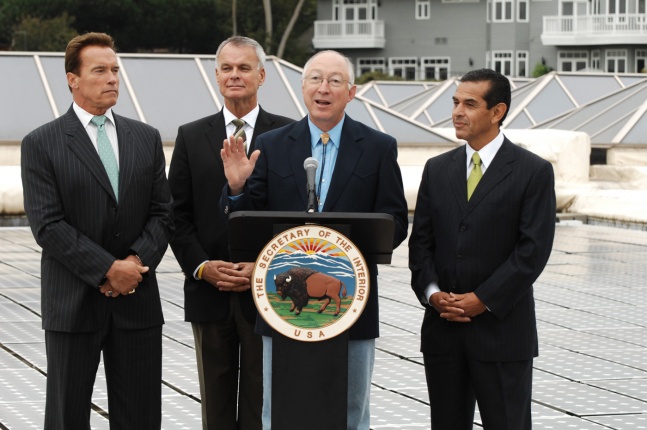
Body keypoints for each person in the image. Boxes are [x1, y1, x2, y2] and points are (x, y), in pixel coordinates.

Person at [220, 49, 409, 430]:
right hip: (283, 311)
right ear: (302, 87)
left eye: (335, 81)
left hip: (352, 303)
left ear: (352, 92)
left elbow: (396, 223)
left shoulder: (377, 147)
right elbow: (248, 220)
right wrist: (237, 186)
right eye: (315, 79)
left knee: (350, 413)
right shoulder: (272, 144)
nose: (324, 88)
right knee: (280, 412)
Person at [21, 32, 173, 429]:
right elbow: (47, 224)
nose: (112, 79)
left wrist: (135, 263)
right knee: (67, 416)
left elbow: (162, 212)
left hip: (137, 304)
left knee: (140, 418)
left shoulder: (146, 137)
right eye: (100, 70)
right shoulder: (41, 143)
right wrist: (108, 269)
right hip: (72, 304)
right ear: (73, 78)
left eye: (115, 70)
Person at [408, 68, 556, 429]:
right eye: (456, 102)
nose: (457, 112)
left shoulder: (532, 171)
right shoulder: (437, 169)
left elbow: (532, 251)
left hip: (503, 333)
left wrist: (483, 299)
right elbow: (421, 244)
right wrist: (432, 294)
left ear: (497, 111)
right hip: (443, 331)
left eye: (470, 104)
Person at [167, 36, 293, 430]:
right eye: (227, 68)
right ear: (216, 76)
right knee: (216, 407)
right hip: (209, 291)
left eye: (243, 68)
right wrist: (203, 266)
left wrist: (264, 266)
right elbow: (176, 215)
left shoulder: (288, 135)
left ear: (262, 75)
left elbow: (294, 218)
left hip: (271, 292)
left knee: (264, 406)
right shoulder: (190, 135)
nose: (234, 75)